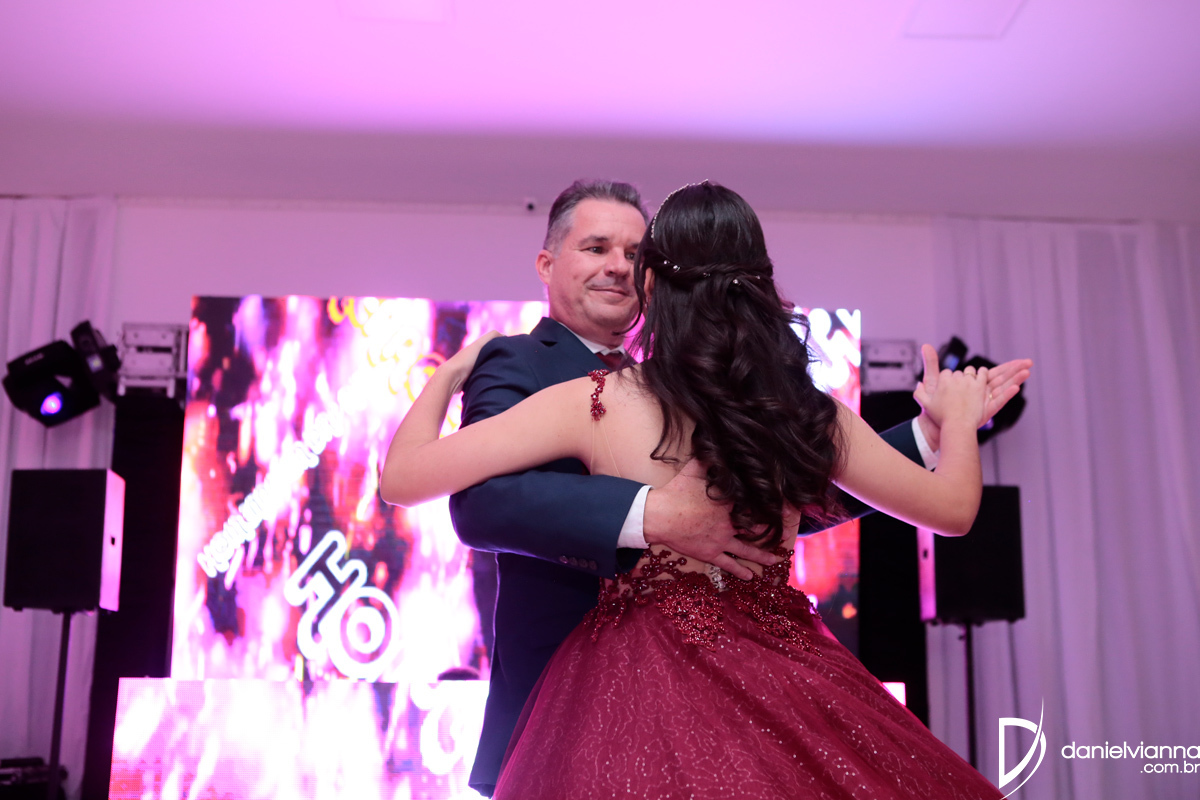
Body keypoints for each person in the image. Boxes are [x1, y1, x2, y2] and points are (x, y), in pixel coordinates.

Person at [382, 182, 1021, 798]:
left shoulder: (596, 403)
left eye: (633, 255)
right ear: (761, 286)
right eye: (597, 248)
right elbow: (954, 512)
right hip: (780, 678)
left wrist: (449, 373)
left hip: (626, 691)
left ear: (651, 284)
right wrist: (958, 423)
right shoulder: (800, 412)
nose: (617, 267)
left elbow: (403, 479)